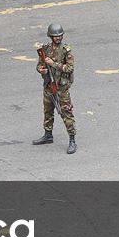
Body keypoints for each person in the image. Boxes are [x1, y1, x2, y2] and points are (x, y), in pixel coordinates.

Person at [32, 23, 76, 154]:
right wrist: (41, 69)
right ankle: (48, 134)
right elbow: (39, 65)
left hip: (61, 88)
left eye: (60, 35)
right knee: (48, 111)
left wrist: (54, 64)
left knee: (66, 113)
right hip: (49, 86)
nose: (58, 38)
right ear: (50, 36)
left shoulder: (66, 50)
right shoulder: (45, 49)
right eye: (55, 36)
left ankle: (72, 139)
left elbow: (69, 68)